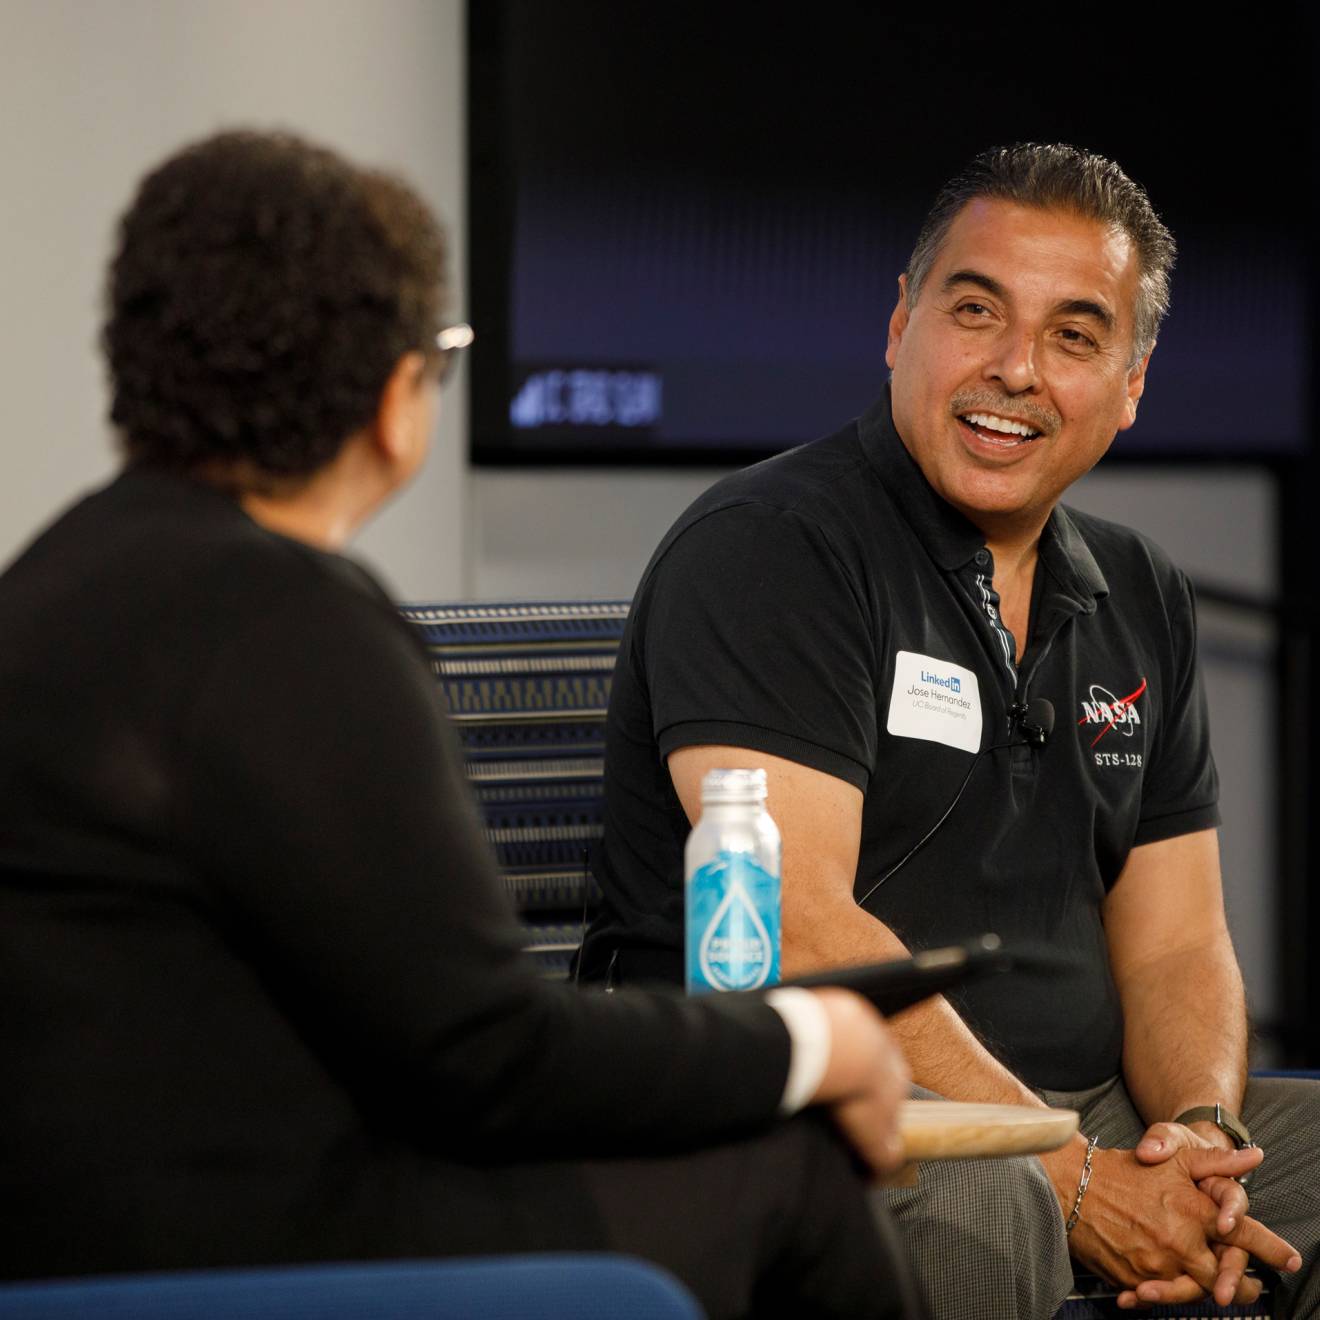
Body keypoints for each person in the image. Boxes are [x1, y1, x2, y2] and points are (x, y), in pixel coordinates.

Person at [0, 129, 925, 1320]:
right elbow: (492, 1059)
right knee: (784, 1170)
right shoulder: (292, 623)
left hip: (62, 1238)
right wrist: (820, 1040)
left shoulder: (46, 586)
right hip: (222, 1256)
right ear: (398, 398)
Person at [580, 142, 1317, 1318]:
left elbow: (1180, 945)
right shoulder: (773, 546)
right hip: (809, 1099)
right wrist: (1063, 1167)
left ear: (1130, 385)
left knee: (1298, 1165)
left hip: (1078, 1112)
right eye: (977, 313)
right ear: (899, 329)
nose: (1015, 369)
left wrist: (1197, 1145)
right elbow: (802, 921)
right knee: (987, 1199)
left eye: (1075, 336)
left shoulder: (1142, 592)